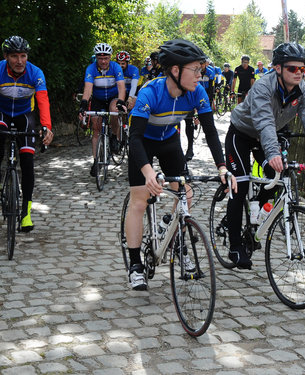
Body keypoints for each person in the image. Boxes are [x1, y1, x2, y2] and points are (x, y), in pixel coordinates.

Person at [125, 38, 236, 290]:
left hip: (169, 141)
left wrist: (221, 166)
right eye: (195, 70)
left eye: (202, 69)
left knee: (185, 193)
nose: (200, 75)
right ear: (175, 70)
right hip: (143, 143)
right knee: (140, 201)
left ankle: (177, 243)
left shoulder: (197, 92)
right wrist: (148, 172)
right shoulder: (150, 92)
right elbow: (134, 138)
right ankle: (135, 264)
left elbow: (210, 132)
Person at [224, 42, 305, 269]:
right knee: (240, 184)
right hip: (242, 133)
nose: (298, 73)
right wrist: (272, 151)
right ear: (277, 68)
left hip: (265, 137)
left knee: (279, 178)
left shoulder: (303, 91)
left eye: (302, 68)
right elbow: (265, 122)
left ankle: (256, 212)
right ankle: (235, 245)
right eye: (292, 68)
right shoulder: (262, 87)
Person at [0, 36, 54, 232]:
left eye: (23, 56)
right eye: (14, 56)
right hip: (0, 111)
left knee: (27, 160)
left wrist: (46, 126)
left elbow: (43, 100)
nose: (19, 61)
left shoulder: (36, 73)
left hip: (24, 114)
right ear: (6, 56)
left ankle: (26, 212)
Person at [78, 43, 127, 177]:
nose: (103, 61)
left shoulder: (116, 67)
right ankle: (95, 161)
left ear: (110, 57)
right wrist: (83, 104)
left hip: (112, 97)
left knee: (114, 109)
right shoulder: (91, 69)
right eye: (100, 58)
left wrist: (121, 101)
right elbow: (88, 89)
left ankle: (114, 137)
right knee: (96, 127)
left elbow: (121, 87)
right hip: (98, 99)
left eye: (106, 58)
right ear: (96, 58)